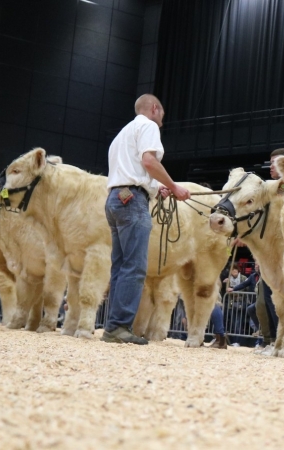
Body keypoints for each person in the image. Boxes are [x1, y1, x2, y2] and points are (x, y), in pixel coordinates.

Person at [101, 94, 190, 345]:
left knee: (120, 266)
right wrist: (174, 186)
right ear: (154, 108)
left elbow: (136, 170)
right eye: (161, 113)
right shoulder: (148, 125)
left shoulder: (123, 133)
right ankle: (119, 327)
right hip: (132, 201)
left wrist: (154, 187)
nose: (162, 119)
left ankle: (113, 326)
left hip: (115, 198)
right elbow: (148, 161)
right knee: (135, 266)